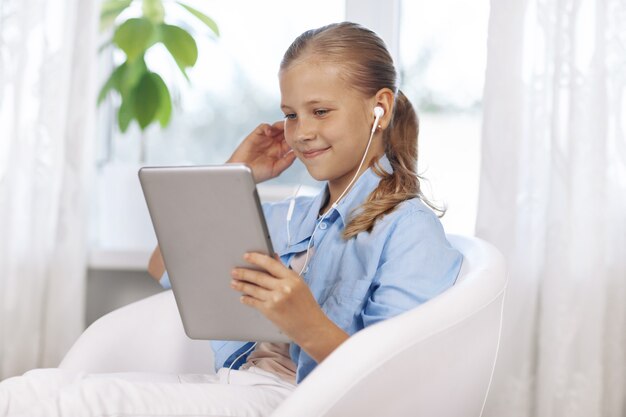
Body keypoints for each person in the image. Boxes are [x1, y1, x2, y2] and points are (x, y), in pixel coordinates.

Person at [0, 22, 462, 416]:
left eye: (320, 112)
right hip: (233, 384)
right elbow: (163, 265)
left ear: (379, 108)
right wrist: (234, 174)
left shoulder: (408, 230)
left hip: (296, 402)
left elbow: (399, 391)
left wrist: (304, 321)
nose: (301, 133)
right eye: (289, 115)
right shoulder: (294, 217)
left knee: (79, 405)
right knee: (29, 391)